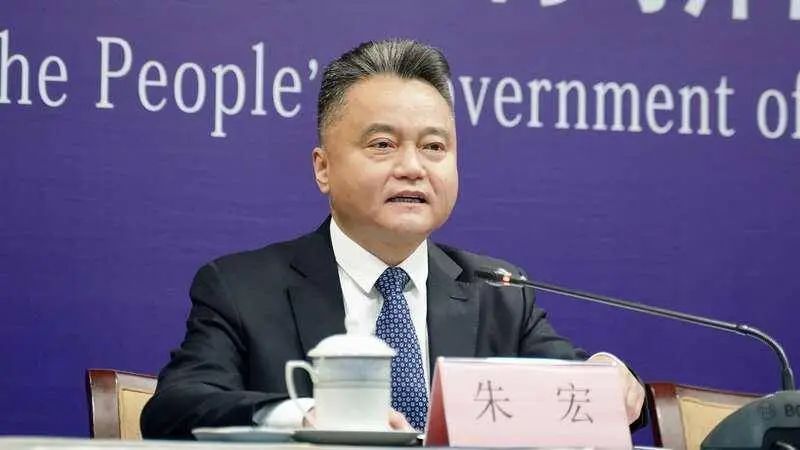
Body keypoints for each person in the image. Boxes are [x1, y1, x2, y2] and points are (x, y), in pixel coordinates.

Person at [140, 38, 645, 439]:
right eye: (383, 144)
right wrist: (302, 416)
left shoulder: (498, 292)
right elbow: (175, 408)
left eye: (434, 147)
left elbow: (581, 389)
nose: (412, 167)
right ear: (323, 168)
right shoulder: (241, 288)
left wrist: (610, 380)